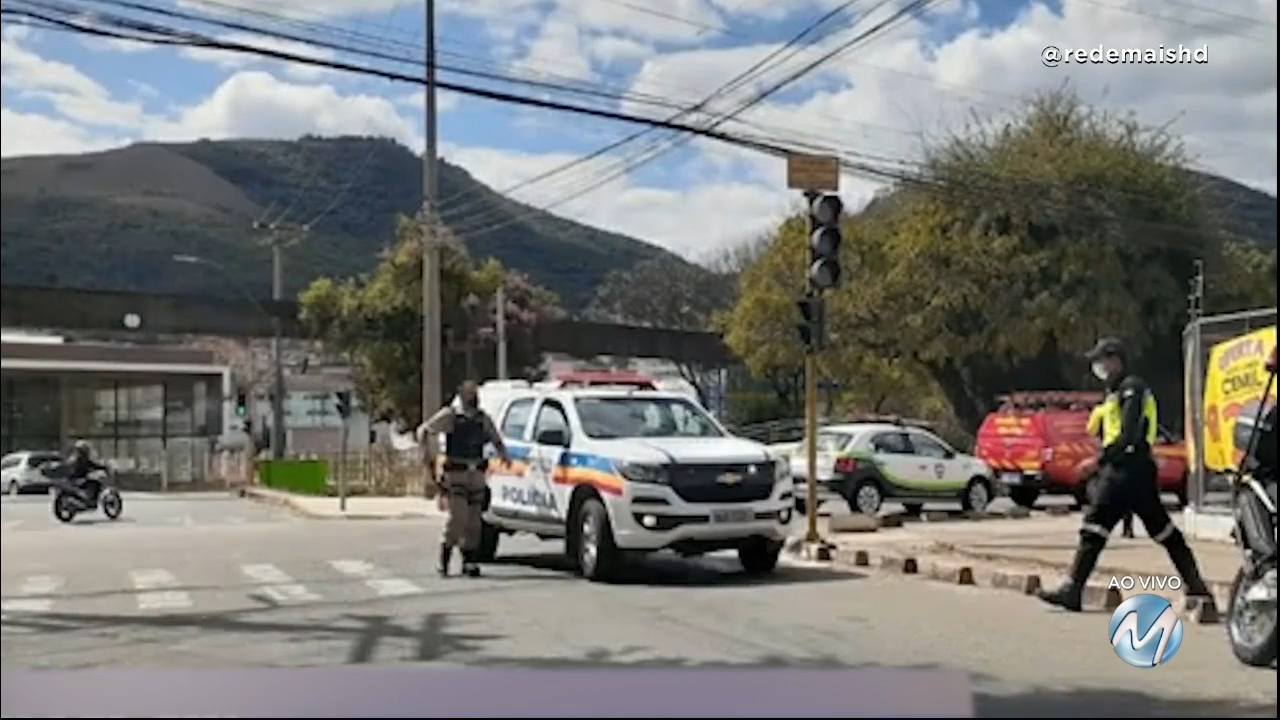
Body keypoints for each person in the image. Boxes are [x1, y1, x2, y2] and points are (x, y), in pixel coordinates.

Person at [1038, 337, 1216, 612]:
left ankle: (1073, 591)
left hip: (1128, 469)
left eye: (1102, 361)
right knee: (1160, 531)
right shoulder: (1115, 392)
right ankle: (1198, 588)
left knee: (1096, 527)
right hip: (1128, 471)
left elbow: (1129, 436)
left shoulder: (1133, 388)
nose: (1098, 367)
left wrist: (1096, 461)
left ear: (1115, 360)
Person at [419, 380, 510, 578]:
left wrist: (504, 455)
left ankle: (469, 561)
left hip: (476, 474)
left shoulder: (481, 418)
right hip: (456, 474)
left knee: (474, 522)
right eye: (468, 393)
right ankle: (445, 558)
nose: (472, 397)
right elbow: (426, 430)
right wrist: (428, 458)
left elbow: (495, 438)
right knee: (457, 519)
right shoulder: (451, 416)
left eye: (474, 393)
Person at [1084, 402, 1135, 538]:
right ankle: (1128, 527)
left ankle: (1098, 524)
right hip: (1127, 451)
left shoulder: (1101, 410)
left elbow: (1090, 429)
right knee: (1127, 488)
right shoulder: (1127, 408)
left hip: (1109, 452)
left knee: (1104, 488)